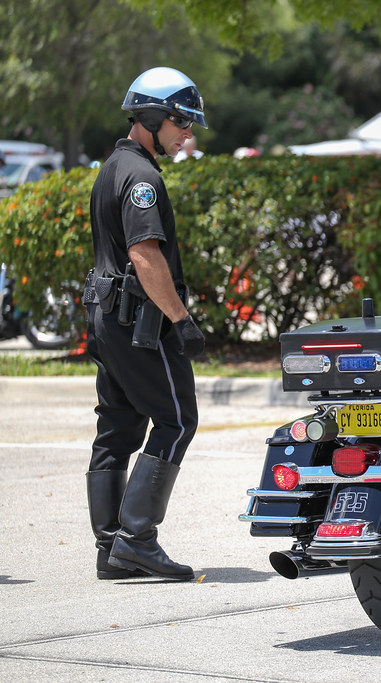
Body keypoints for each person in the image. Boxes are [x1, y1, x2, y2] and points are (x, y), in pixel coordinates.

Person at [82, 67, 207, 581]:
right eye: (182, 122)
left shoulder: (113, 166)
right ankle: (136, 539)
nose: (188, 135)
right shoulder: (143, 178)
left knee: (118, 427)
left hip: (107, 318)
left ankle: (111, 546)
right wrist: (181, 320)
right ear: (154, 118)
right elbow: (144, 254)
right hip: (140, 322)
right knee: (178, 421)